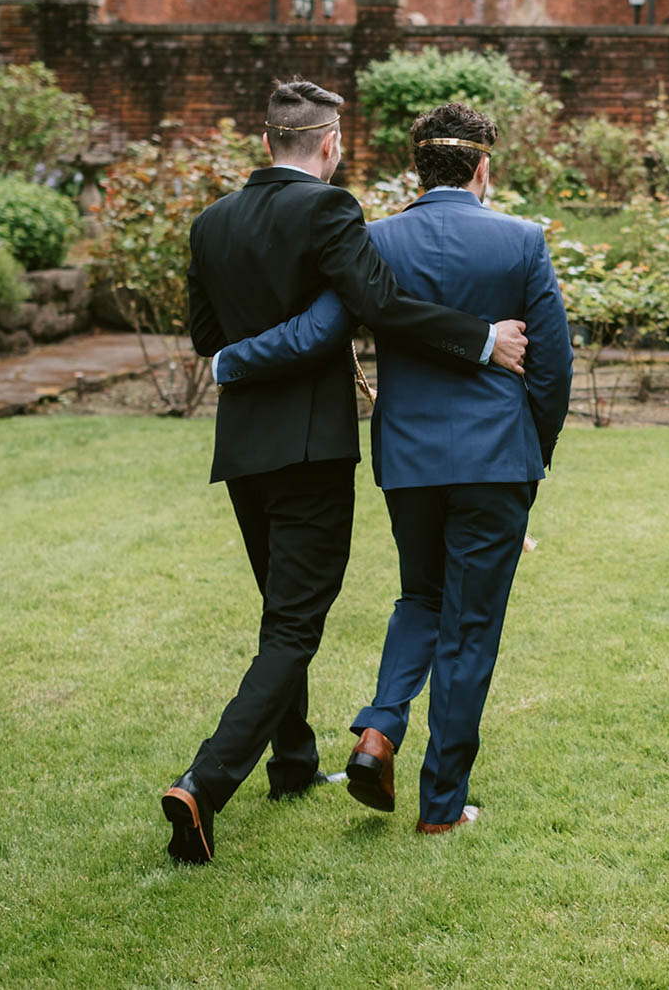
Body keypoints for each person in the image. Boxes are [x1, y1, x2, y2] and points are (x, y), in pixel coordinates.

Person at [161, 80, 528, 864]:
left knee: (276, 617)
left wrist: (239, 353)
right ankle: (204, 782)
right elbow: (382, 306)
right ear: (329, 144)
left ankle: (292, 765)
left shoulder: (211, 222)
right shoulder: (331, 212)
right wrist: (481, 338)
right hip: (308, 452)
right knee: (294, 629)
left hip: (241, 453)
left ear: (267, 144)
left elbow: (202, 335)